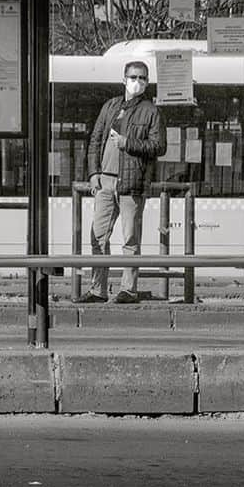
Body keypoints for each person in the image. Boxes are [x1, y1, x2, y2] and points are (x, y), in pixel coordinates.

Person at [80, 59, 166, 305]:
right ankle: (97, 290)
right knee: (98, 237)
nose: (137, 82)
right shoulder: (110, 106)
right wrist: (93, 173)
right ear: (124, 79)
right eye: (133, 77)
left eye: (142, 78)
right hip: (105, 182)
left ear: (147, 82)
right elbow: (95, 139)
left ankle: (128, 289)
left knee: (130, 239)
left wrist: (127, 142)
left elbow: (159, 146)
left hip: (132, 183)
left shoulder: (151, 111)